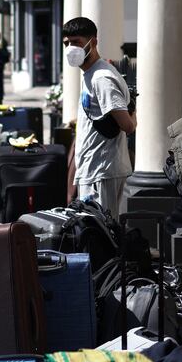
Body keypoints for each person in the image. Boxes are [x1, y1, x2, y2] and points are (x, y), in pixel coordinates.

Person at [62, 17, 135, 217]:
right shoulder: (91, 74)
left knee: (102, 229)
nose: (70, 48)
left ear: (93, 42)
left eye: (76, 42)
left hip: (102, 171)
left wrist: (131, 109)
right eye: (67, 43)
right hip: (93, 170)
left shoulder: (102, 78)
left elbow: (128, 126)